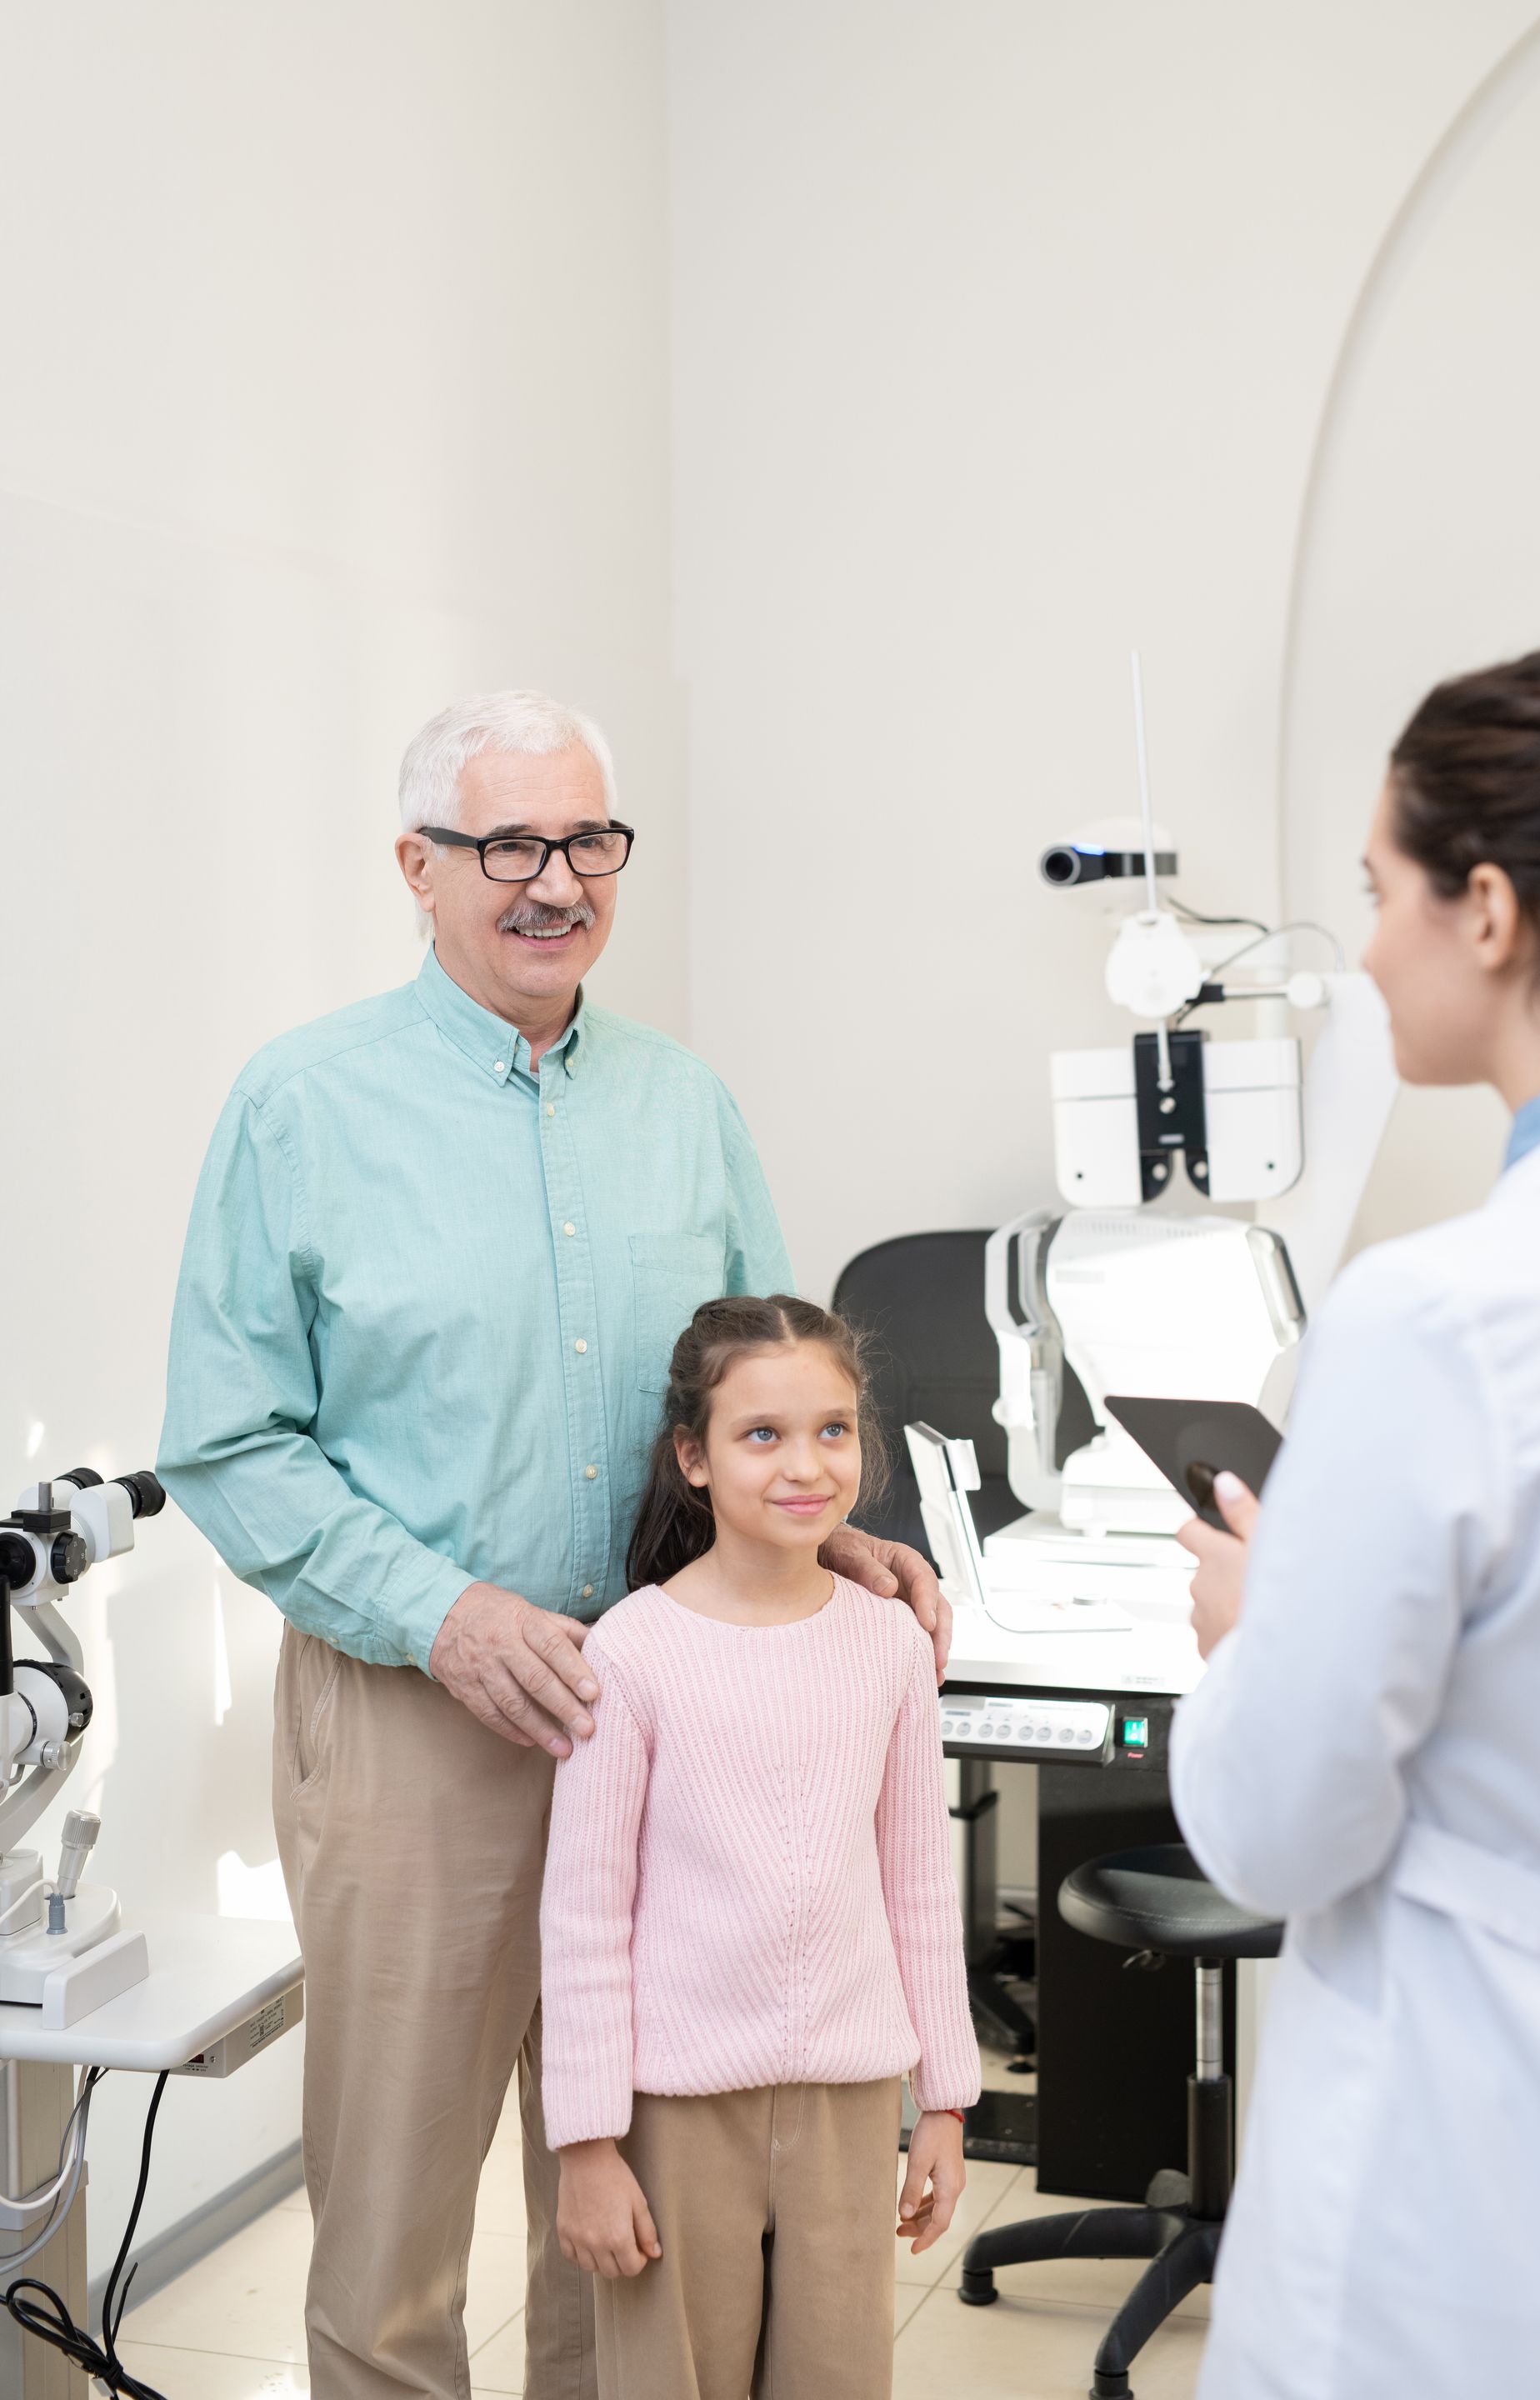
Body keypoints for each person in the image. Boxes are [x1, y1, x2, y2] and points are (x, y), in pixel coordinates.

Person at [157, 691, 947, 2400]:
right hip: (412, 1720)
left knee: (625, 2222)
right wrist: (442, 1619)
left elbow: (762, 1387)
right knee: (393, 2236)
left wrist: (836, 1544)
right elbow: (223, 1441)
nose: (554, 881)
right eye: (506, 843)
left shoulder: (683, 1104)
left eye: (589, 839)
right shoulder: (301, 1108)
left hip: (680, 1722)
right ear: (417, 868)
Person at [1171, 644, 1540, 2397]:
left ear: (1486, 909)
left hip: (1473, 2192)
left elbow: (1279, 1830)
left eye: (1379, 891)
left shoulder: (1450, 1317)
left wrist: (1255, 1629)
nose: (1361, 947)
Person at [538, 1295, 981, 2400]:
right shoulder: (634, 1652)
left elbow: (920, 1885)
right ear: (693, 1455)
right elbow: (584, 1916)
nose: (806, 1465)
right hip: (674, 2115)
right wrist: (588, 2148)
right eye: (762, 1435)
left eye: (832, 1429)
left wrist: (947, 2100)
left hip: (846, 2098)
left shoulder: (887, 1643)